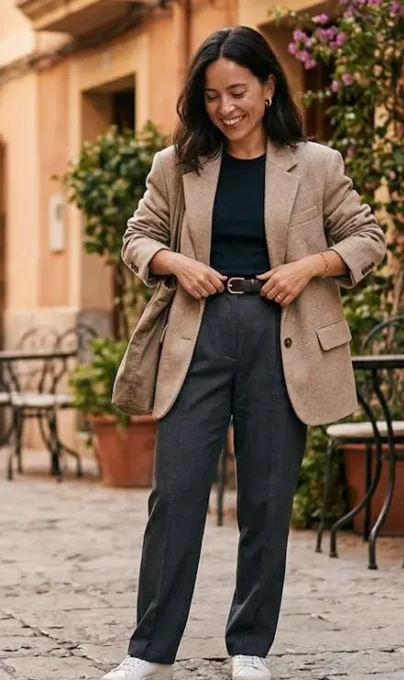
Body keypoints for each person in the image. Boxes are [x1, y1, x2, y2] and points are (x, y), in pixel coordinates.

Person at [104, 27, 386, 680]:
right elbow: (138, 236)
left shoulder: (316, 163)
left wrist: (310, 266)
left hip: (280, 338)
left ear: (267, 87)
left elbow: (367, 236)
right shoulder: (175, 165)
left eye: (237, 92)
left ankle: (249, 646)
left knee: (265, 499)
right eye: (211, 96)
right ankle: (148, 651)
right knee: (173, 497)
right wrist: (175, 262)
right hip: (196, 336)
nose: (226, 108)